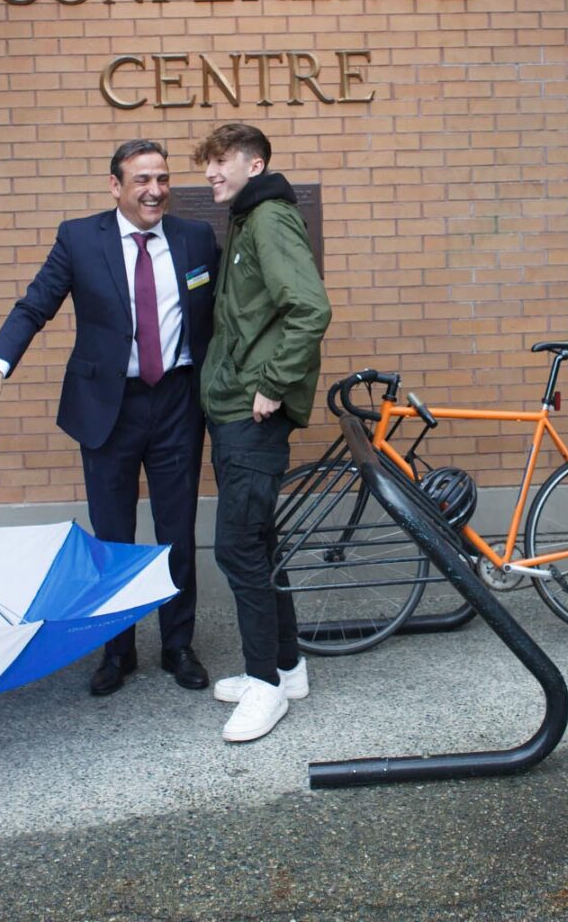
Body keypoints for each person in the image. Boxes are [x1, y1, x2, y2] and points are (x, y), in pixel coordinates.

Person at [0, 140, 219, 697]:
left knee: (177, 532)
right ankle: (117, 650)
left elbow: (223, 310)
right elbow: (34, 305)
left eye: (162, 178)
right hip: (109, 407)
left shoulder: (196, 238)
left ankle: (178, 645)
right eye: (141, 180)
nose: (154, 190)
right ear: (115, 186)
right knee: (112, 536)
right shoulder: (80, 239)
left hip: (178, 402)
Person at [194, 123, 332, 743]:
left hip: (252, 414)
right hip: (234, 408)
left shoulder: (269, 220)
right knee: (259, 543)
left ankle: (264, 686)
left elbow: (311, 308)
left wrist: (273, 383)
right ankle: (285, 668)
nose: (210, 173)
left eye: (221, 161)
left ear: (255, 164)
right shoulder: (248, 218)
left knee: (238, 548)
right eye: (207, 163)